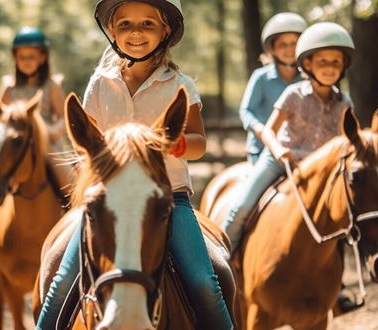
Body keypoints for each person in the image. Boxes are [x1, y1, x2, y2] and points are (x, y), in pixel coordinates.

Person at [36, 1, 233, 329]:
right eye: (125, 24)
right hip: (110, 200)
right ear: (112, 31)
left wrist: (178, 143)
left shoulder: (181, 84)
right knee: (59, 284)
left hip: (167, 199)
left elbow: (199, 142)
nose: (136, 32)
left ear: (165, 31)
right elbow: (88, 135)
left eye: (147, 24)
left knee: (206, 282)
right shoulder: (100, 82)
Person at [223, 22, 355, 251]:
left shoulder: (345, 103)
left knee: (350, 211)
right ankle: (222, 260)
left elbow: (349, 140)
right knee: (241, 207)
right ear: (308, 63)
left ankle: (337, 275)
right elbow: (270, 130)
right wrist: (278, 150)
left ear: (344, 66)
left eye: (336, 62)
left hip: (320, 169)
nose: (329, 67)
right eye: (322, 61)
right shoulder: (293, 94)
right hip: (280, 161)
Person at [0, 27, 70, 266]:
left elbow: (63, 117)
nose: (26, 61)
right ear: (15, 59)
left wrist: (49, 131)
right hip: (15, 145)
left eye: (32, 56)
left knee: (72, 185)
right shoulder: (9, 87)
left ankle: (79, 239)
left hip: (47, 145)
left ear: (43, 57)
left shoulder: (52, 86)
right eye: (22, 57)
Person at [240, 13, 307, 165]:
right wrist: (261, 130)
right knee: (253, 189)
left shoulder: (307, 80)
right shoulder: (261, 77)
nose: (289, 49)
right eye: (283, 44)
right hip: (263, 150)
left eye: (294, 43)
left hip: (297, 151)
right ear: (272, 49)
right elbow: (246, 111)